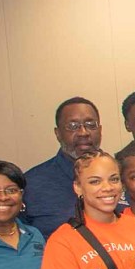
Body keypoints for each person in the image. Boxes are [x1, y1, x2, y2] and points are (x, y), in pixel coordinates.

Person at [21, 96, 102, 234]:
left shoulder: (123, 175)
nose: (83, 132)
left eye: (90, 125)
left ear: (100, 130)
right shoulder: (31, 184)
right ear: (58, 133)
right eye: (72, 126)